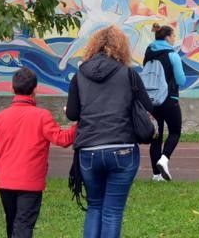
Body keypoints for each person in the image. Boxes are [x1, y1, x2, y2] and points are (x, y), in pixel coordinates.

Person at [65, 25, 154, 238]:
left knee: (94, 206)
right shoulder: (128, 74)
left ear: (92, 46)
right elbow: (147, 106)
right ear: (121, 47)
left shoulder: (80, 75)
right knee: (112, 211)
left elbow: (73, 114)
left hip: (88, 149)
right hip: (122, 147)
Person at [0, 68, 76, 238]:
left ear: (12, 88)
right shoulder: (42, 116)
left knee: (12, 223)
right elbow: (62, 139)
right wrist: (81, 124)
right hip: (31, 181)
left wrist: (3, 167)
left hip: (6, 181)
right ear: (35, 89)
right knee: (23, 225)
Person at [145, 24, 186, 182]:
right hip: (169, 100)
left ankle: (156, 175)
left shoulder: (148, 54)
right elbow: (181, 80)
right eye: (173, 35)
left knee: (156, 137)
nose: (175, 38)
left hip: (152, 101)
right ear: (167, 37)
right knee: (175, 132)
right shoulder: (172, 55)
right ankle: (164, 158)